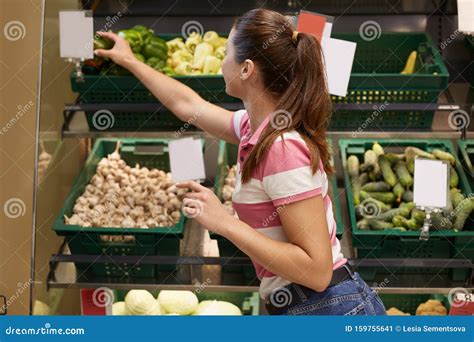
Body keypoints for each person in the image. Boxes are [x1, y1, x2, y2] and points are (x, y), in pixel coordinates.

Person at [95, 8, 386, 315]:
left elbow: (317, 271)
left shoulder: (283, 148)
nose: (221, 63)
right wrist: (129, 61)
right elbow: (188, 105)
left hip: (330, 308)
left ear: (246, 69)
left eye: (225, 52)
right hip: (313, 305)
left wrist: (225, 223)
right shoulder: (256, 127)